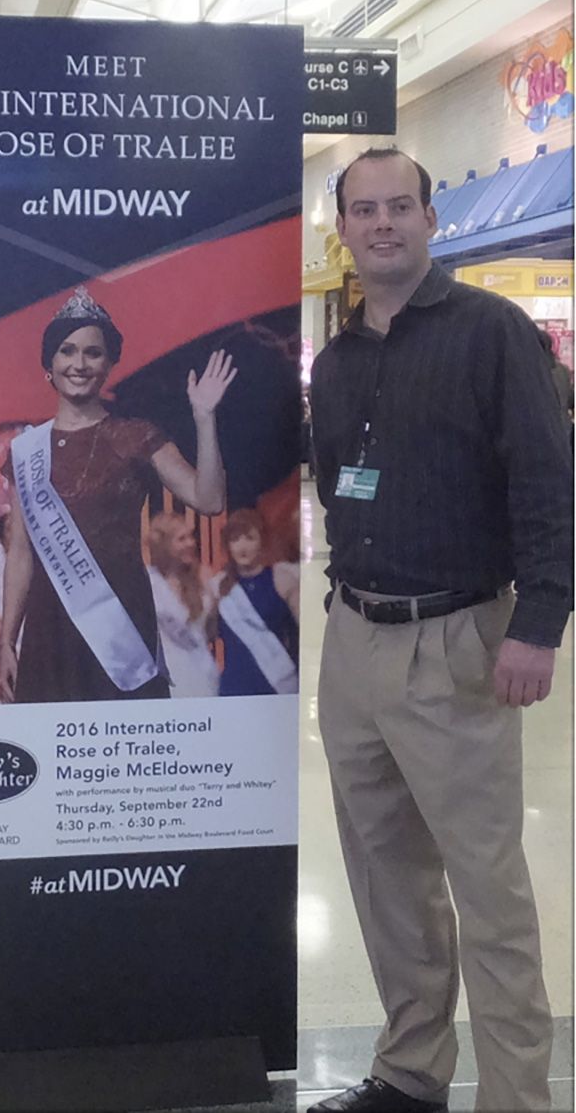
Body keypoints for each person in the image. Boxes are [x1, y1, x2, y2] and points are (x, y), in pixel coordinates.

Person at [309, 147, 573, 1113]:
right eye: (364, 209)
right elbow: (340, 486)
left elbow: (549, 483)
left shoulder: (493, 333)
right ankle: (410, 1071)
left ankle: (515, 1097)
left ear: (432, 219)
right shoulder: (336, 362)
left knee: (488, 891)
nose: (383, 224)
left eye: (400, 207)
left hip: (458, 640)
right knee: (387, 875)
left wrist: (537, 622)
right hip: (355, 642)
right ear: (344, 226)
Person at [0, 287, 235, 704]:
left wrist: (205, 419)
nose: (79, 363)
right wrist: (6, 641)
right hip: (48, 627)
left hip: (120, 622)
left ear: (109, 364)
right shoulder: (26, 451)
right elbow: (20, 553)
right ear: (49, 364)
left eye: (93, 353)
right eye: (67, 351)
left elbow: (209, 499)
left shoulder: (135, 436)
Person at [210, 508, 298, 697]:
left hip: (278, 687)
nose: (242, 547)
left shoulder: (282, 580)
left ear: (262, 541)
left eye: (249, 538)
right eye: (235, 540)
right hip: (234, 688)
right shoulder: (218, 587)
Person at [147, 512, 219, 697]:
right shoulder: (149, 582)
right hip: (168, 680)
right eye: (181, 539)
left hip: (203, 676)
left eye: (190, 537)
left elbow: (213, 631)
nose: (190, 543)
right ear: (163, 545)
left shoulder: (204, 577)